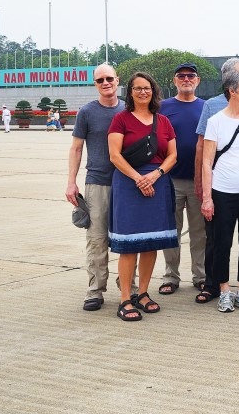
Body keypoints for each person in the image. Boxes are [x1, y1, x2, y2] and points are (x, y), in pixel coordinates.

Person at [194, 57, 239, 305]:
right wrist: (207, 197)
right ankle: (224, 290)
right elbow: (206, 162)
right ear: (231, 90)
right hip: (222, 191)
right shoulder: (215, 121)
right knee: (222, 242)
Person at [107, 71, 178, 322]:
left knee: (150, 243)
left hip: (156, 183)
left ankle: (143, 293)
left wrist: (155, 175)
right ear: (130, 93)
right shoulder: (121, 120)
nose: (143, 92)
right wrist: (139, 178)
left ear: (153, 91)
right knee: (129, 245)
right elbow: (115, 156)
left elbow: (172, 156)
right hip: (128, 184)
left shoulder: (164, 122)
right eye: (137, 88)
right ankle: (125, 298)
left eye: (147, 87)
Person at [66, 63, 126, 312]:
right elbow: (76, 147)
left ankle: (128, 289)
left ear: (117, 80)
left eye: (109, 78)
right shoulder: (87, 112)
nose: (105, 83)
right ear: (95, 84)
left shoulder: (129, 108)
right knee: (96, 239)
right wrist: (71, 181)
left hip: (127, 184)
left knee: (127, 240)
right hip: (97, 182)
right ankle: (95, 290)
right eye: (100, 80)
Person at [157, 62, 207, 296]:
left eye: (191, 76)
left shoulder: (206, 107)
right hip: (170, 180)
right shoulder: (163, 107)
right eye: (181, 76)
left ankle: (201, 276)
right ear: (175, 81)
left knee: (199, 232)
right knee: (171, 232)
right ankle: (171, 276)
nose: (186, 79)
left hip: (198, 181)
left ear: (197, 81)